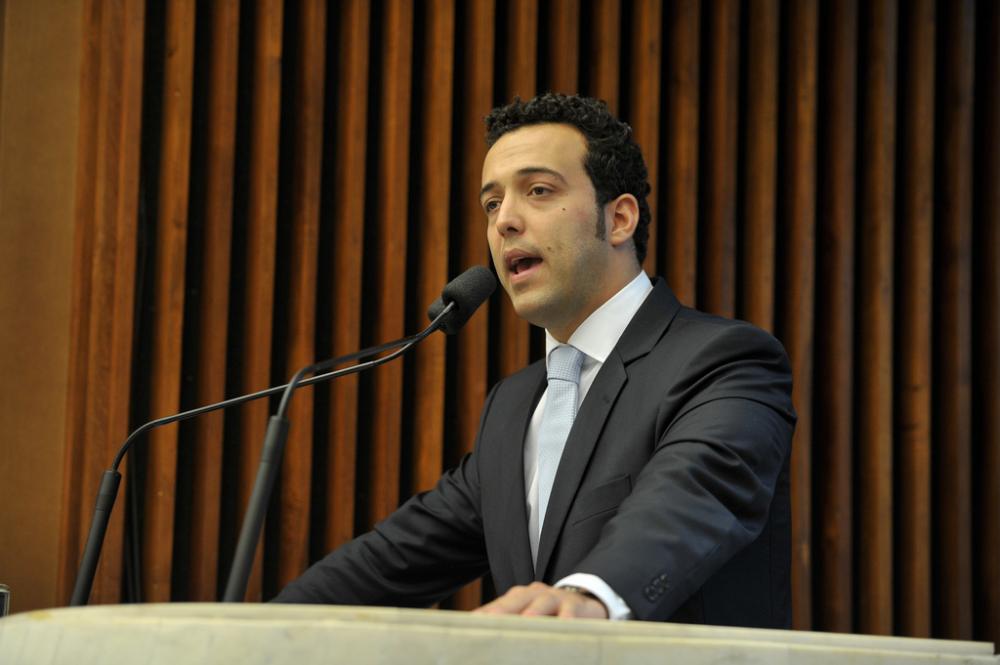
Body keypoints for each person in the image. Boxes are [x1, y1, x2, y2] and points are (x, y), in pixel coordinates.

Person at [274, 93, 795, 626]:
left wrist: (590, 594)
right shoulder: (514, 405)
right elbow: (395, 561)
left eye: (539, 191)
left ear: (619, 219)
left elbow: (693, 498)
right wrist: (253, 628)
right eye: (492, 204)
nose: (504, 221)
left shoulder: (724, 361)